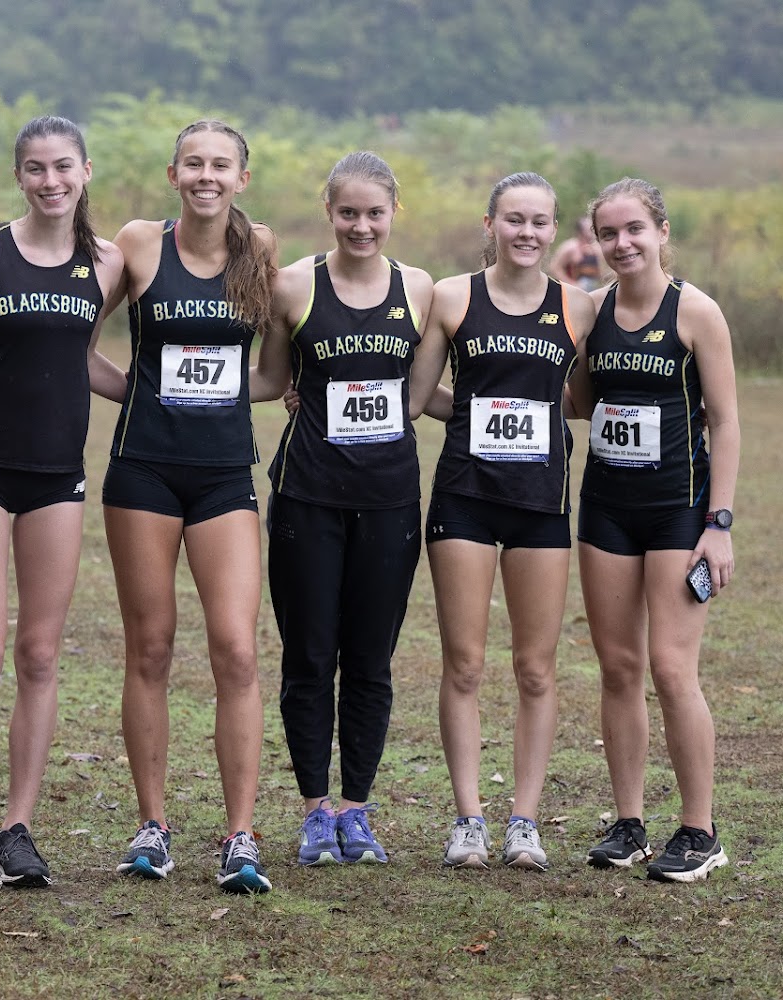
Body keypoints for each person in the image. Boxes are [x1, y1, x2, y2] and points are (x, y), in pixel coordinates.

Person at [0, 116, 126, 891]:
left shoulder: (106, 263)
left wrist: (153, 395)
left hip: (57, 475)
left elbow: (81, 357)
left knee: (40, 653)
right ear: (19, 176)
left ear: (85, 172)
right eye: (36, 168)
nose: (51, 181)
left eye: (64, 167)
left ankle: (17, 827)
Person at [104, 119, 281, 895]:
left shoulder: (259, 249)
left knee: (236, 650)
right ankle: (153, 823)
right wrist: (136, 392)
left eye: (221, 165)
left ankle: (240, 834)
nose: (207, 175)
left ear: (242, 178)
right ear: (173, 174)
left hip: (223, 477)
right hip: (143, 472)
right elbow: (79, 337)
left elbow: (272, 372)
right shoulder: (141, 244)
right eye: (194, 163)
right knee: (150, 647)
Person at [255, 151, 445, 867]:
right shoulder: (292, 284)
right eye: (348, 213)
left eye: (374, 213)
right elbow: (273, 378)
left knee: (370, 660)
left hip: (389, 500)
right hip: (307, 496)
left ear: (394, 213)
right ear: (328, 212)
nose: (361, 226)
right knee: (308, 657)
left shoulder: (419, 289)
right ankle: (314, 810)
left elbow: (421, 395)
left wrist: (522, 410)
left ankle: (357, 810)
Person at [424, 172, 595, 871]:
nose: (527, 232)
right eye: (514, 219)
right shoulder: (452, 296)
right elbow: (418, 394)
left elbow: (584, 401)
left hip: (541, 504)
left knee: (535, 668)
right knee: (464, 663)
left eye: (539, 221)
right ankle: (469, 819)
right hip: (464, 496)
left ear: (554, 229)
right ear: (490, 223)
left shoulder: (579, 306)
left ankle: (524, 820)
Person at [574, 178, 738, 882]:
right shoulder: (590, 311)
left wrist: (719, 523)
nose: (622, 244)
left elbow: (725, 422)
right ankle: (630, 823)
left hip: (678, 510)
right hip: (605, 510)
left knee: (672, 669)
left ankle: (700, 830)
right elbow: (577, 400)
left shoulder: (695, 311)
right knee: (618, 668)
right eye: (608, 233)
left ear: (662, 231)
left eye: (634, 229)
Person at [550, 216, 603, 291]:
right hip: (574, 289)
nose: (592, 231)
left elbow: (603, 270)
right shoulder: (569, 247)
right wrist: (571, 284)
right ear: (581, 231)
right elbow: (554, 268)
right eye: (589, 229)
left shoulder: (597, 247)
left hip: (594, 289)